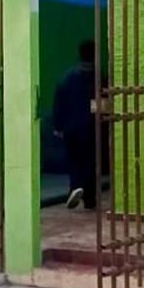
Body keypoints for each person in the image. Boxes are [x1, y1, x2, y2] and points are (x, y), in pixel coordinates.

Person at [52, 39, 100, 210]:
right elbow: (105, 103)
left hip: (71, 127)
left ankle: (76, 187)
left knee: (74, 160)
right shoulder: (101, 78)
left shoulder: (68, 78)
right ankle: (90, 197)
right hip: (93, 126)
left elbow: (59, 102)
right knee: (92, 161)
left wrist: (58, 126)